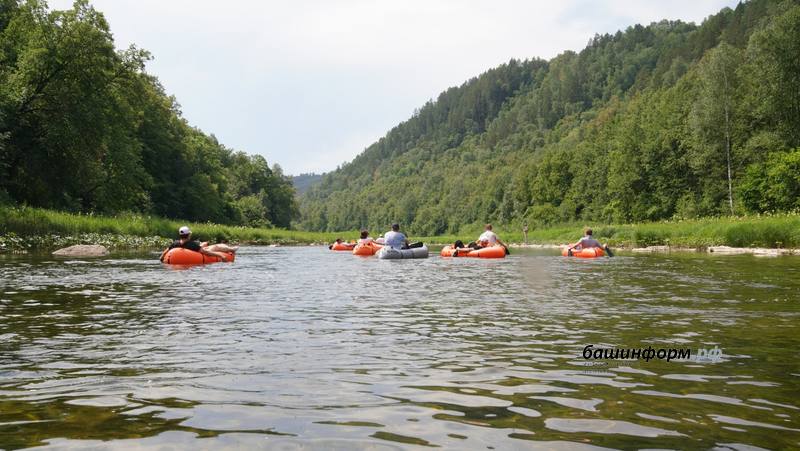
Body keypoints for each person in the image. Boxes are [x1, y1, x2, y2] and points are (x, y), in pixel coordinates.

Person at [162, 226, 237, 261]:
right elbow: (206, 252)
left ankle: (230, 249)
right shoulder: (191, 244)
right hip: (199, 251)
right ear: (188, 235)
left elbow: (166, 250)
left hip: (194, 250)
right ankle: (232, 249)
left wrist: (162, 257)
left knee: (204, 244)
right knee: (215, 247)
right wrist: (220, 255)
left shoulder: (175, 243)